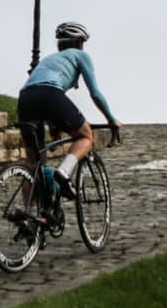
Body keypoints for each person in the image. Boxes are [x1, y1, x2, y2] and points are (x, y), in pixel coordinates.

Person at [17, 21, 119, 216]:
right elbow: (95, 93)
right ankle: (63, 173)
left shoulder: (48, 60)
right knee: (86, 136)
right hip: (49, 93)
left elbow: (42, 97)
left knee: (34, 163)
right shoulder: (81, 55)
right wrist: (111, 119)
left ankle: (29, 215)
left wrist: (54, 125)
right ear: (80, 43)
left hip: (25, 98)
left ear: (60, 44)